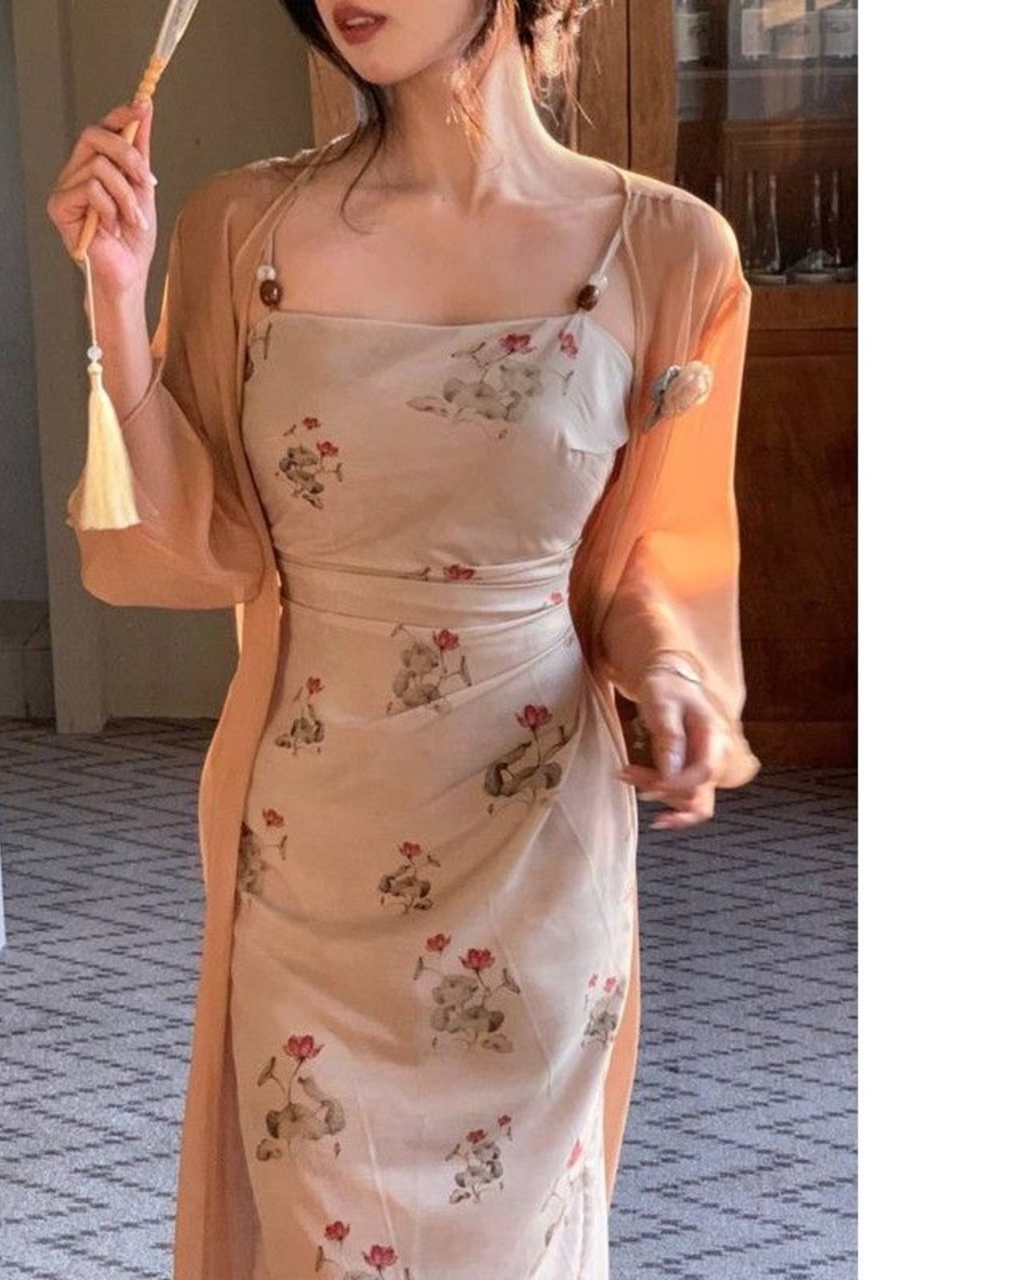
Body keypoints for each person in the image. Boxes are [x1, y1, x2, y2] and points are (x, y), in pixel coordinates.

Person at [47, 2, 759, 1277]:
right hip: (309, 851)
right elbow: (193, 546)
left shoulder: (665, 251)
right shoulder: (242, 229)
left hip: (532, 856)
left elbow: (647, 554)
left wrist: (668, 668)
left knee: (516, 1239)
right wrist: (115, 298)